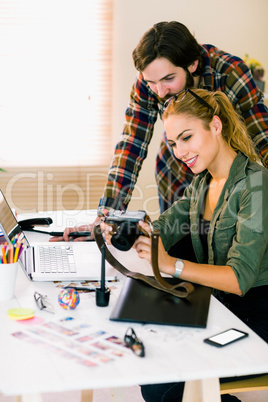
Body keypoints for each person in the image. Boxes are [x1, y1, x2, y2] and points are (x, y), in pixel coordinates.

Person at [50, 20, 268, 244]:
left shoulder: (230, 73)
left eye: (169, 79)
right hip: (175, 178)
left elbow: (263, 137)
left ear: (192, 64)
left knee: (223, 251)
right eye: (152, 82)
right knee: (173, 247)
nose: (161, 92)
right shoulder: (149, 82)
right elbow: (131, 144)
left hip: (225, 181)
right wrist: (107, 217)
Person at [126, 88, 267, 402]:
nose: (179, 152)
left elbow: (239, 279)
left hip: (257, 319)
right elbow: (164, 226)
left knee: (164, 386)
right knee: (152, 365)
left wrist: (172, 265)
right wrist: (118, 228)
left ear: (215, 126)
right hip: (220, 308)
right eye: (174, 143)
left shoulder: (256, 184)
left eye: (186, 137)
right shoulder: (202, 183)